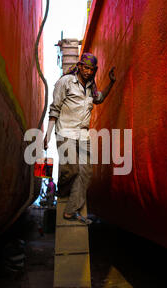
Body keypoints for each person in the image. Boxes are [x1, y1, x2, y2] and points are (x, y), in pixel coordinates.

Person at [43, 53, 116, 224]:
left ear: (94, 70)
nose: (88, 71)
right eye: (86, 67)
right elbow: (54, 110)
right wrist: (47, 136)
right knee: (71, 170)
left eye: (92, 69)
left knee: (86, 173)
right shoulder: (66, 82)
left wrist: (111, 82)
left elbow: (100, 98)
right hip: (65, 132)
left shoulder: (91, 87)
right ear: (80, 65)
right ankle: (61, 191)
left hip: (83, 135)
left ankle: (71, 211)